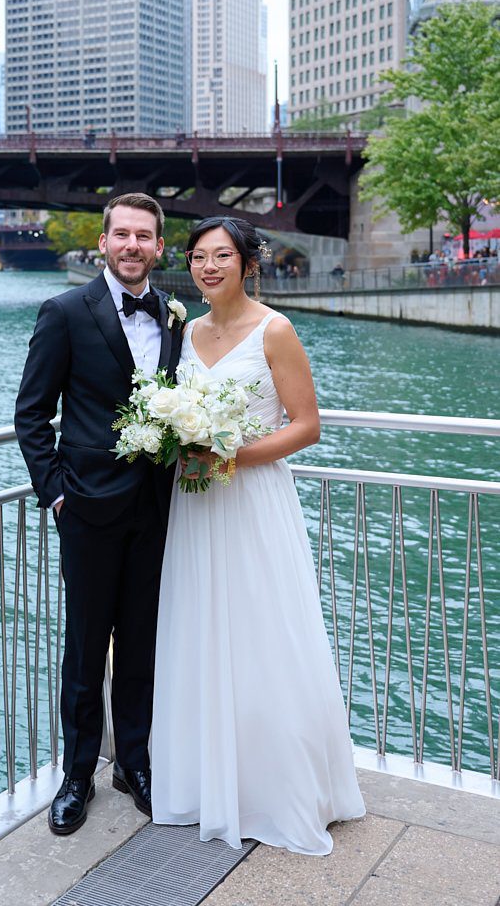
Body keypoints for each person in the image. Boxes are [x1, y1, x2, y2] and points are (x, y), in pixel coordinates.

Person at [150, 215, 365, 855]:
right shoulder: (185, 332)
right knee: (198, 632)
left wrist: (231, 456)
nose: (208, 266)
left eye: (222, 256)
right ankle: (202, 782)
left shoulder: (277, 329)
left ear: (248, 264)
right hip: (196, 507)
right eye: (197, 257)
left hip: (251, 499)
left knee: (263, 634)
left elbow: (306, 426)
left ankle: (277, 790)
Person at [14, 193, 184, 835]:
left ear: (158, 247)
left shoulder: (173, 318)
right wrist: (55, 490)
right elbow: (31, 413)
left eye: (145, 236)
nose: (133, 246)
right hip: (85, 507)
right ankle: (78, 774)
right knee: (86, 648)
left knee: (142, 642)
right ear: (104, 243)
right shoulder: (64, 311)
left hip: (157, 506)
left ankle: (134, 764)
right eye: (122, 235)